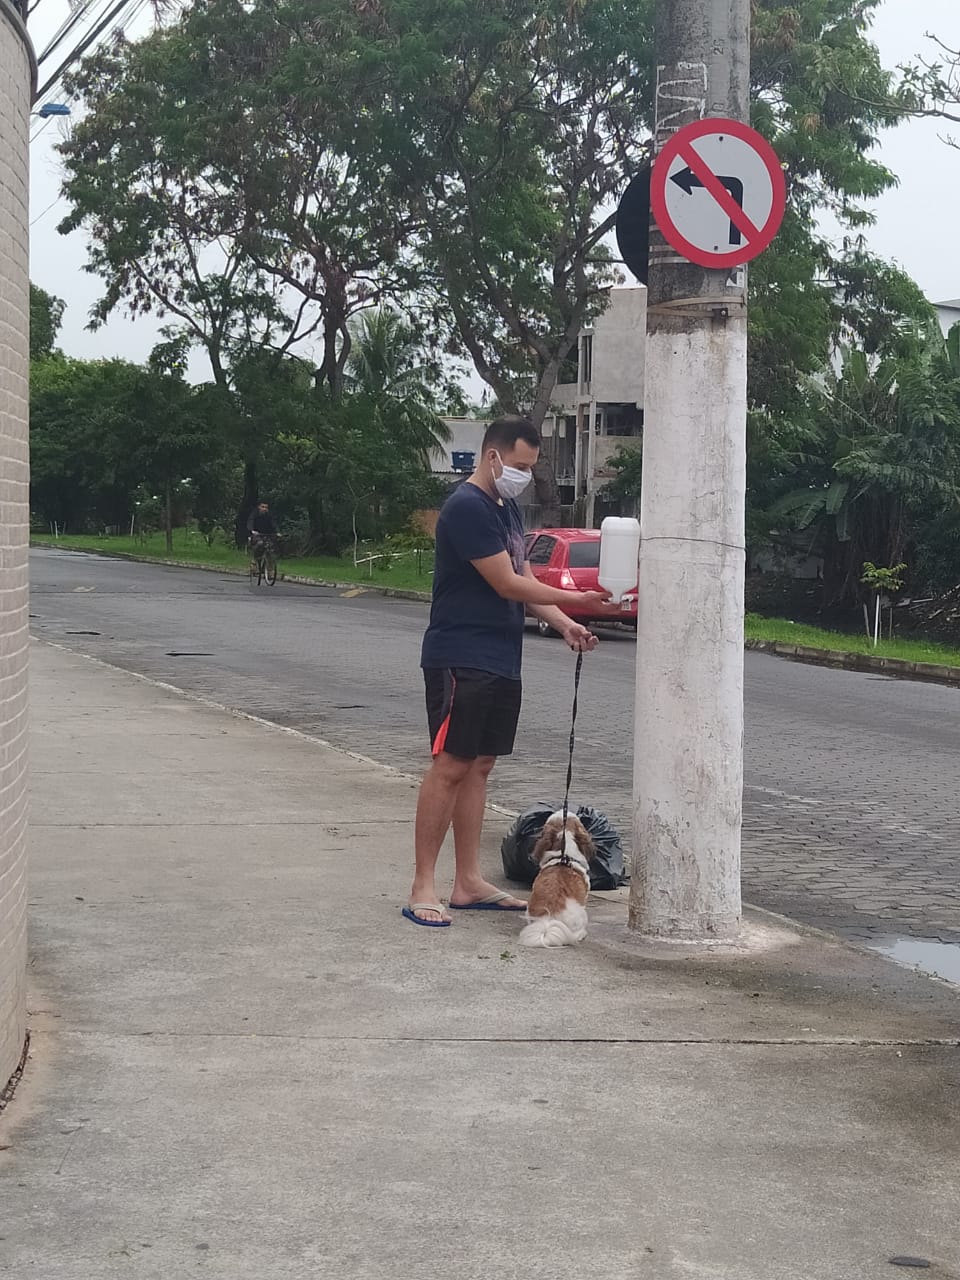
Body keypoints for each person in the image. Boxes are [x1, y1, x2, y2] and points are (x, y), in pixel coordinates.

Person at [404, 415, 618, 927]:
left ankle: (468, 881)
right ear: (492, 455)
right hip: (462, 656)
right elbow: (505, 584)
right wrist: (577, 596)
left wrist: (567, 622)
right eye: (519, 465)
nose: (524, 475)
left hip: (501, 656)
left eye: (530, 467)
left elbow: (524, 577)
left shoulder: (507, 512)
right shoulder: (467, 508)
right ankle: (422, 886)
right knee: (450, 765)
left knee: (480, 766)